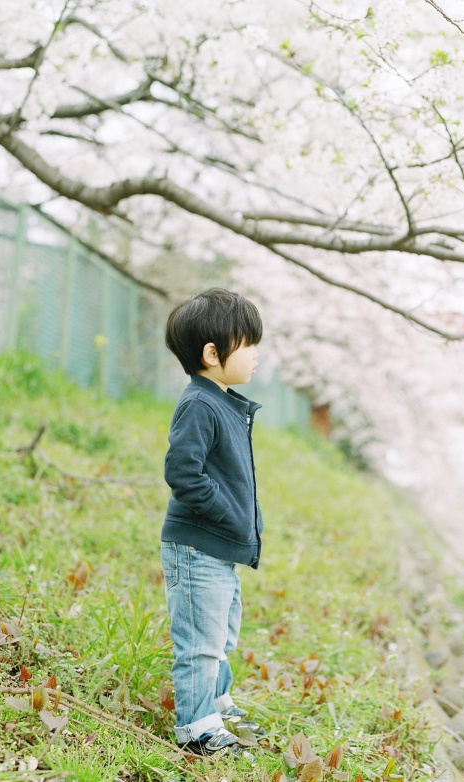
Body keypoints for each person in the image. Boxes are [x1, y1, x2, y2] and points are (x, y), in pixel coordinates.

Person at [160, 287, 265, 757]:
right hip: (199, 546)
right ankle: (198, 728)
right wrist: (225, 513)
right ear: (212, 353)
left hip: (219, 548)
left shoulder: (223, 400)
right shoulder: (200, 404)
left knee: (221, 633)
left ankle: (216, 701)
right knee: (200, 640)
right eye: (249, 344)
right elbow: (183, 472)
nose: (256, 354)